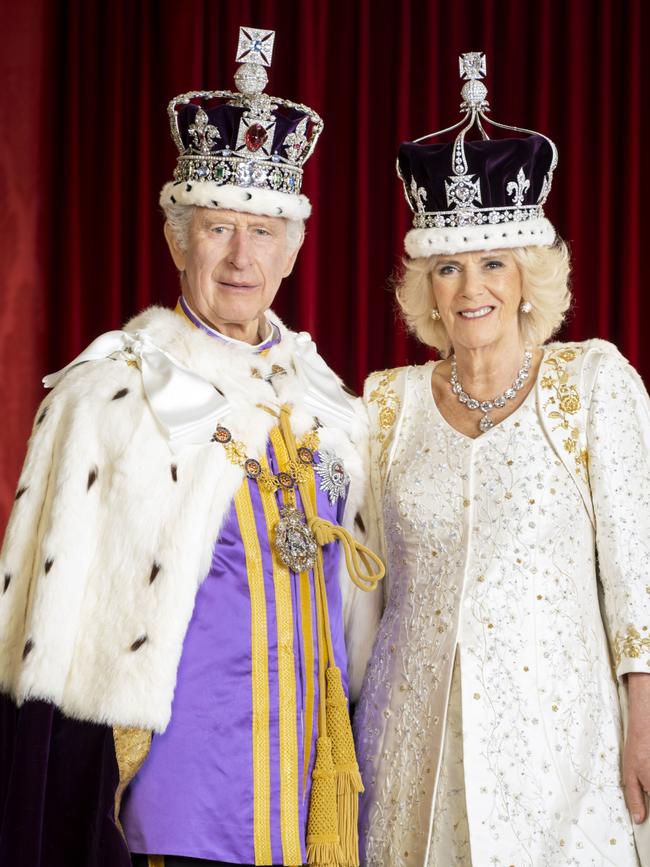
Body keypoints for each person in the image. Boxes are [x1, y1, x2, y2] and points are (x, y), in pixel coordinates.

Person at [0, 26, 382, 867]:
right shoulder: (113, 396)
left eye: (263, 230)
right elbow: (54, 666)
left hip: (309, 791)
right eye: (217, 228)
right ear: (178, 238)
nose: (241, 256)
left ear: (294, 249)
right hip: (175, 801)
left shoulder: (332, 408)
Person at [352, 53, 650, 866]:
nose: (469, 287)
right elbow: (357, 599)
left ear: (528, 278)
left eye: (491, 263)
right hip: (410, 754)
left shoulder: (590, 385)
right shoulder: (384, 406)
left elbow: (639, 574)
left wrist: (645, 723)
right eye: (447, 266)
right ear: (427, 284)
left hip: (563, 758)